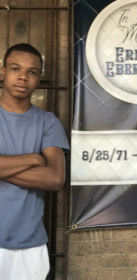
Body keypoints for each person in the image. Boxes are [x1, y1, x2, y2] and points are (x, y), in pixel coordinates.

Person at [0, 44, 69, 280]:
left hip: (29, 245)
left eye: (32, 71)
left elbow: (55, 178)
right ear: (3, 71)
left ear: (38, 78)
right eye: (15, 68)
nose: (23, 76)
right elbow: (44, 170)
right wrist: (33, 158)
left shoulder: (48, 123)